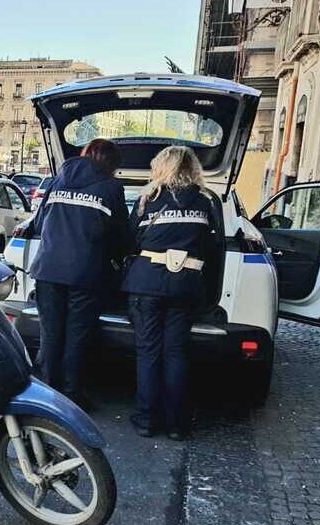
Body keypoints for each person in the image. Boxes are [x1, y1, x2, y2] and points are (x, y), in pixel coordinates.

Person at [122, 146, 216, 440]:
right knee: (175, 353)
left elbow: (128, 240)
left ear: (161, 167)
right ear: (194, 169)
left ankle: (147, 420)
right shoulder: (205, 202)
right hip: (185, 286)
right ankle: (176, 425)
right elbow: (211, 245)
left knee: (148, 352)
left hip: (147, 284)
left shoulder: (148, 199)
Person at [28, 139, 128, 409]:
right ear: (111, 163)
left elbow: (38, 223)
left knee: (50, 333)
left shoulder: (56, 182)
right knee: (77, 335)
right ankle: (72, 396)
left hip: (47, 269)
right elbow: (121, 236)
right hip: (85, 273)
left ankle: (47, 395)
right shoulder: (111, 188)